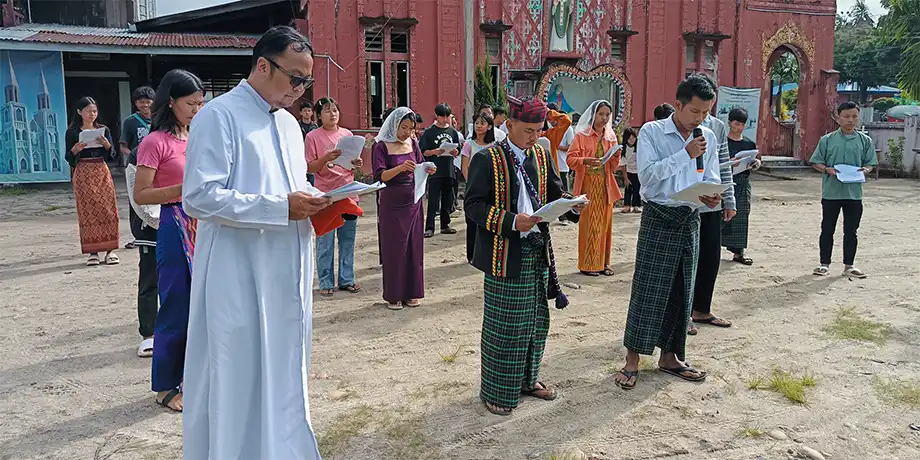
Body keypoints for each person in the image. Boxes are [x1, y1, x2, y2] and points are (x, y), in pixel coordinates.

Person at [181, 26, 331, 459]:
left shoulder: (287, 125)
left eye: (307, 81)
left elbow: (290, 186)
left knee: (284, 371)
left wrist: (319, 202)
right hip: (238, 270)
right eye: (295, 79)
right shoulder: (219, 115)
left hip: (286, 267)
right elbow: (199, 197)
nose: (301, 91)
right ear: (263, 65)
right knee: (237, 373)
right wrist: (281, 207)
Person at [465, 96, 582, 416]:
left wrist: (572, 205)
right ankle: (496, 390)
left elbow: (554, 193)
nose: (534, 136)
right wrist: (511, 221)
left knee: (536, 321)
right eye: (528, 130)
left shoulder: (542, 155)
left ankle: (528, 380)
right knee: (505, 324)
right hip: (504, 252)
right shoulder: (487, 158)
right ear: (509, 125)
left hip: (537, 250)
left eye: (539, 130)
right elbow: (473, 205)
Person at [614, 75, 722, 390]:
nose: (700, 119)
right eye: (695, 112)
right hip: (659, 217)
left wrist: (713, 195)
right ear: (678, 105)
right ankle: (632, 360)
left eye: (706, 113)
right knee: (648, 290)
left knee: (682, 290)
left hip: (690, 217)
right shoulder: (652, 132)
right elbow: (647, 179)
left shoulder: (709, 137)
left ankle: (671, 356)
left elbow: (711, 174)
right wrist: (684, 154)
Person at [134, 69, 205, 412]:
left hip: (204, 225)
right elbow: (142, 192)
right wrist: (183, 189)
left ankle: (195, 377)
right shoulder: (154, 142)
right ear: (172, 101)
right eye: (190, 103)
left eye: (200, 103)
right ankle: (164, 386)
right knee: (176, 305)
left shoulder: (198, 137)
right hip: (174, 225)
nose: (196, 109)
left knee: (204, 306)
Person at [373, 107, 436, 310]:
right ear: (394, 125)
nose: (407, 133)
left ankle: (412, 292)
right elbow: (380, 176)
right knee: (395, 248)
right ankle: (393, 295)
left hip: (413, 199)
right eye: (403, 128)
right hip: (392, 202)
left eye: (410, 128)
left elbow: (419, 165)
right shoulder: (381, 146)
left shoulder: (413, 142)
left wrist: (428, 168)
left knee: (414, 247)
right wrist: (400, 168)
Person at [688, 74, 736, 335]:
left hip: (712, 203)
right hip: (686, 203)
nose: (703, 113)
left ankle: (702, 308)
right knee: (686, 260)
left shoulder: (717, 127)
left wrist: (729, 199)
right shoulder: (675, 125)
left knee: (710, 257)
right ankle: (682, 314)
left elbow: (724, 164)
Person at [305, 97, 364, 297]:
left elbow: (353, 163)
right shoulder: (313, 137)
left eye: (335, 110)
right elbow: (309, 167)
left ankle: (347, 278)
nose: (333, 114)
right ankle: (325, 281)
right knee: (325, 240)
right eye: (328, 111)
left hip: (348, 192)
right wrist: (325, 159)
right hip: (326, 195)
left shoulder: (347, 134)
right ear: (319, 115)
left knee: (347, 239)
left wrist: (356, 163)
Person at [809, 101, 876, 279]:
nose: (850, 120)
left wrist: (866, 170)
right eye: (846, 116)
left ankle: (849, 265)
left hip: (854, 194)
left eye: (854, 116)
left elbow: (870, 163)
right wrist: (826, 169)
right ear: (838, 117)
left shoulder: (865, 141)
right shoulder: (827, 140)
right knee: (827, 229)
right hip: (831, 193)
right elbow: (816, 161)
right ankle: (824, 264)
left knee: (851, 231)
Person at [566, 100, 622, 277]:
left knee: (605, 225)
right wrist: (585, 160)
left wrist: (616, 156)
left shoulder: (611, 138)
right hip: (588, 185)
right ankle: (589, 264)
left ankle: (604, 263)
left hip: (605, 186)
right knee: (591, 225)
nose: (604, 118)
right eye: (601, 114)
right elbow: (570, 159)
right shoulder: (581, 136)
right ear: (593, 115)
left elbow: (612, 168)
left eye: (607, 115)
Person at [65, 96, 120, 266]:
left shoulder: (104, 130)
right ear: (79, 112)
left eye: (94, 111)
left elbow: (113, 156)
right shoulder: (73, 132)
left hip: (101, 170)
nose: (92, 114)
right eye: (88, 111)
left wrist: (107, 145)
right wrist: (75, 150)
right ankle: (92, 252)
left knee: (108, 208)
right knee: (87, 211)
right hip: (83, 171)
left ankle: (110, 250)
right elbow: (68, 158)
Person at [125, 136, 160, 359]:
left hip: (188, 222)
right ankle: (149, 333)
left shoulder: (193, 142)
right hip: (152, 225)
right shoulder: (142, 150)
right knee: (150, 279)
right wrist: (159, 223)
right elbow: (137, 195)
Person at [721, 107, 761, 265]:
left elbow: (757, 160)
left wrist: (756, 163)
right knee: (720, 217)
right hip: (725, 182)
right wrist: (730, 161)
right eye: (736, 123)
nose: (739, 127)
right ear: (730, 123)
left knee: (742, 217)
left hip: (743, 182)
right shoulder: (723, 142)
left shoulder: (749, 143)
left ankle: (738, 252)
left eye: (742, 124)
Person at [120, 86, 155, 249]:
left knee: (155, 200)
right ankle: (138, 235)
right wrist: (134, 156)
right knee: (137, 201)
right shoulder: (130, 122)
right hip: (137, 165)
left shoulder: (159, 120)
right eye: (141, 102)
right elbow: (123, 146)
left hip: (156, 166)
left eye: (148, 102)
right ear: (136, 103)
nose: (145, 105)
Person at [419, 103, 462, 237]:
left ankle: (445, 225)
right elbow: (423, 152)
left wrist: (455, 152)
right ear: (436, 116)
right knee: (433, 199)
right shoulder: (429, 132)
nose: (445, 119)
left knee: (448, 199)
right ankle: (430, 227)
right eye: (442, 116)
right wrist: (435, 151)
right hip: (434, 169)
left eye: (447, 116)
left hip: (449, 169)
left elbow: (458, 149)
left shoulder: (453, 132)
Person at [620, 128, 641, 213]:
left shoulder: (639, 147)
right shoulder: (624, 149)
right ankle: (627, 205)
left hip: (637, 171)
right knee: (628, 189)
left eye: (633, 138)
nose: (632, 140)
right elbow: (623, 164)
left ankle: (636, 205)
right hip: (628, 171)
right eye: (629, 139)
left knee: (637, 189)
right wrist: (625, 178)